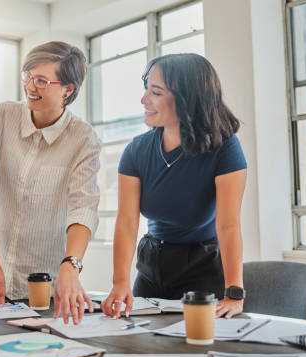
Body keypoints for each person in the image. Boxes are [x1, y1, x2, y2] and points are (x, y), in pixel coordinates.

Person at [101, 53, 247, 319]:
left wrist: (234, 293)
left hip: (203, 267)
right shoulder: (136, 150)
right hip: (151, 264)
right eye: (146, 90)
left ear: (187, 99)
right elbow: (126, 221)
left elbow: (228, 224)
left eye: (155, 92)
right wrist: (119, 281)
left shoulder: (225, 147)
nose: (144, 100)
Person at [0, 41, 101, 325]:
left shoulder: (83, 138)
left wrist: (71, 266)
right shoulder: (1, 117)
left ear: (68, 89)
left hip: (43, 289)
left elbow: (83, 209)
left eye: (41, 80)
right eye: (27, 75)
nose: (30, 85)